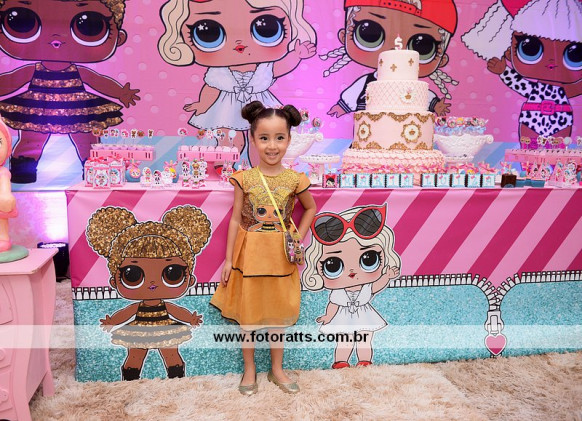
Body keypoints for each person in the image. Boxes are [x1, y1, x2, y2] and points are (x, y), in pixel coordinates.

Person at [210, 100, 316, 395]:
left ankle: (277, 369)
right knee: (248, 316)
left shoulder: (296, 179)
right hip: (250, 257)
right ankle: (249, 369)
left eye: (279, 137)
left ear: (289, 139)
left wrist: (297, 237)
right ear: (253, 139)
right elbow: (235, 219)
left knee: (277, 315)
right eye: (264, 138)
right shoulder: (244, 179)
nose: (272, 145)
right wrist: (228, 260)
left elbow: (310, 209)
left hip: (280, 258)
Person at [158, 0, 316, 165]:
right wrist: (203, 104)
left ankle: (260, 169)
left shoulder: (265, 69)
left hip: (260, 106)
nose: (240, 43)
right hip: (227, 108)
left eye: (266, 30)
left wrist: (296, 55)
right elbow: (211, 88)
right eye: (210, 33)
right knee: (230, 140)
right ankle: (222, 167)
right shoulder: (219, 72)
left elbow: (281, 67)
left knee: (260, 140)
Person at [0, 0, 140, 183]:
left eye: (89, 27)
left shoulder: (77, 71)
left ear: (118, 38)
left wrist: (120, 93)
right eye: (22, 23)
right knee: (31, 140)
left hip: (77, 110)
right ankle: (22, 172)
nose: (56, 38)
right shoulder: (34, 69)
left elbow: (98, 81)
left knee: (86, 140)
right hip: (38, 110)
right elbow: (12, 80)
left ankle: (94, 171)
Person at [86, 205, 211, 381]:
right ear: (114, 281)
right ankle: (130, 377)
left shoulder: (165, 306)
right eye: (132, 275)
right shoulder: (139, 306)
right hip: (139, 330)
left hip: (165, 329)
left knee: (171, 354)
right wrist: (113, 321)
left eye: (172, 273)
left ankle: (176, 377)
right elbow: (127, 312)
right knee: (135, 355)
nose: (153, 284)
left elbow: (175, 311)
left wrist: (190, 318)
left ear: (190, 280)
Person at [462, 0, 582, 141]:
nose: (551, 62)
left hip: (561, 121)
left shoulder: (565, 89)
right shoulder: (536, 89)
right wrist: (503, 71)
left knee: (558, 151)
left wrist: (503, 72)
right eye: (530, 49)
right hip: (531, 119)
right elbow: (521, 85)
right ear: (509, 51)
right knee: (527, 149)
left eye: (575, 54)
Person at [302, 205, 401, 368]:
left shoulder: (366, 288)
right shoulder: (338, 293)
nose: (352, 272)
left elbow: (377, 285)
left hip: (365, 316)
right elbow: (333, 304)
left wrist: (387, 276)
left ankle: (365, 361)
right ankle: (341, 361)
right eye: (333, 265)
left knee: (365, 339)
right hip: (343, 318)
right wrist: (328, 316)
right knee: (344, 340)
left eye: (369, 259)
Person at [322, 0, 458, 117]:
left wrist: (435, 105)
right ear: (344, 36)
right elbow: (353, 94)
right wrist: (342, 107)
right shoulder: (369, 83)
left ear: (442, 60)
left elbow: (423, 97)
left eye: (422, 45)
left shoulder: (416, 86)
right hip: (369, 129)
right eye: (369, 33)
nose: (393, 49)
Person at [0, 117, 17, 251]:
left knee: (2, 220)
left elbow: (5, 187)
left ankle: (2, 238)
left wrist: (5, 195)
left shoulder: (2, 172)